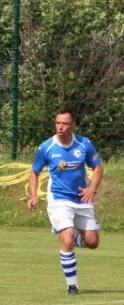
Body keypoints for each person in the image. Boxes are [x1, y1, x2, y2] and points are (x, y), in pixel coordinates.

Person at [28, 106, 103, 295]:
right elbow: (34, 171)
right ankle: (72, 285)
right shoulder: (47, 147)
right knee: (67, 239)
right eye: (58, 123)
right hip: (59, 199)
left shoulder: (84, 144)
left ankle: (75, 237)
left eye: (65, 124)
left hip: (81, 199)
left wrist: (91, 189)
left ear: (73, 125)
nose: (60, 127)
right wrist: (34, 196)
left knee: (93, 242)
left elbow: (98, 167)